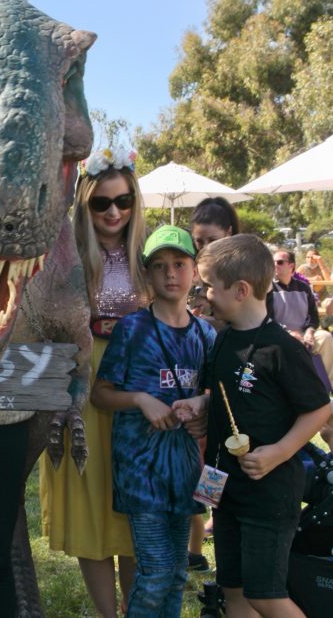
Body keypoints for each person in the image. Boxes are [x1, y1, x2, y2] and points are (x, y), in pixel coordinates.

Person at [174, 234, 332, 618]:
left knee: (265, 595)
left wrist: (279, 452)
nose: (203, 293)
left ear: (241, 290)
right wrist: (200, 404)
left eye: (209, 285)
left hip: (268, 493)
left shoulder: (282, 348)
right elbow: (225, 395)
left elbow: (319, 410)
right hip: (224, 486)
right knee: (235, 591)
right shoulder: (223, 339)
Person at [40, 147, 149, 617]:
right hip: (79, 380)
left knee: (134, 505)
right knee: (89, 501)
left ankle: (135, 607)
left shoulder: (151, 257)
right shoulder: (63, 257)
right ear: (84, 203)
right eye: (101, 203)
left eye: (123, 202)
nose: (113, 212)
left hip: (139, 381)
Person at [91, 225, 215, 617]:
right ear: (147, 274)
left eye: (179, 264)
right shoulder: (133, 328)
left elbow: (215, 393)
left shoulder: (205, 334)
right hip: (141, 468)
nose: (170, 274)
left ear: (195, 270)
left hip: (183, 468)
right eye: (159, 266)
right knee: (157, 570)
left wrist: (200, 407)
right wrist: (142, 400)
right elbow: (100, 394)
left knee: (177, 571)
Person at [187, 195, 241, 559]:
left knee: (222, 459)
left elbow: (246, 324)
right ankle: (199, 537)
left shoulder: (243, 272)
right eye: (199, 241)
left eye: (211, 239)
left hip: (234, 381)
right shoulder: (192, 273)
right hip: (198, 379)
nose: (204, 247)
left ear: (230, 233)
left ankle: (220, 526)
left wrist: (211, 323)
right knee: (201, 459)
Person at [267, 250, 333, 392]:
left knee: (325, 337)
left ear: (291, 266)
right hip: (280, 335)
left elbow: (313, 316)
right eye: (273, 262)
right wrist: (289, 333)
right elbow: (268, 318)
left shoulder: (304, 288)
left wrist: (310, 331)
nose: (276, 265)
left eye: (280, 262)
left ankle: (331, 386)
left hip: (305, 333)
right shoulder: (268, 290)